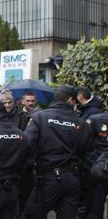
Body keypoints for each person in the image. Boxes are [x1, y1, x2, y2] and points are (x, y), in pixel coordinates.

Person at [22, 85, 94, 219]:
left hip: (47, 178)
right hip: (72, 179)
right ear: (71, 100)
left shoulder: (40, 118)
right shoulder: (82, 124)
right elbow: (89, 157)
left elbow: (26, 145)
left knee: (32, 215)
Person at [82, 98, 108, 218]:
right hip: (99, 170)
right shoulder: (96, 119)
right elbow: (85, 142)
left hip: (98, 168)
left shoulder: (95, 119)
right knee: (95, 205)